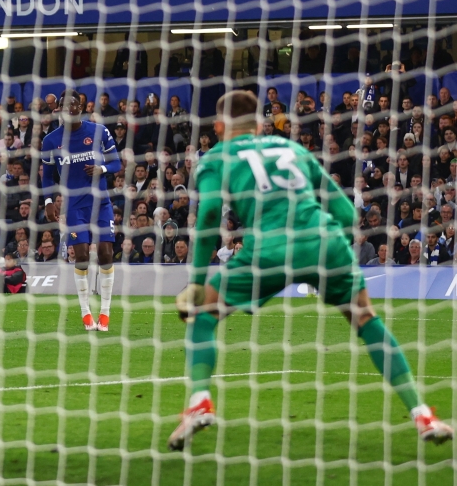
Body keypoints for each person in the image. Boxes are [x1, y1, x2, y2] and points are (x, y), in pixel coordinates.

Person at [168, 90, 452, 450]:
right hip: (324, 242)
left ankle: (199, 404)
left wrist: (195, 282)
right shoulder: (294, 150)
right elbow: (349, 216)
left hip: (267, 250)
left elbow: (209, 214)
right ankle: (423, 415)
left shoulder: (215, 158)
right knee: (366, 320)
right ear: (259, 125)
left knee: (203, 315)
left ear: (219, 125)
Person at [42, 90, 122, 332]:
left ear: (81, 107)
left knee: (107, 253)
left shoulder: (99, 131)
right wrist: (48, 201)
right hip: (74, 206)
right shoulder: (51, 141)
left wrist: (102, 169)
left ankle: (105, 314)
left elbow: (116, 162)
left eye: (75, 103)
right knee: (82, 256)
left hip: (101, 202)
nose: (71, 107)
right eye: (66, 104)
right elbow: (46, 176)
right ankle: (86, 313)